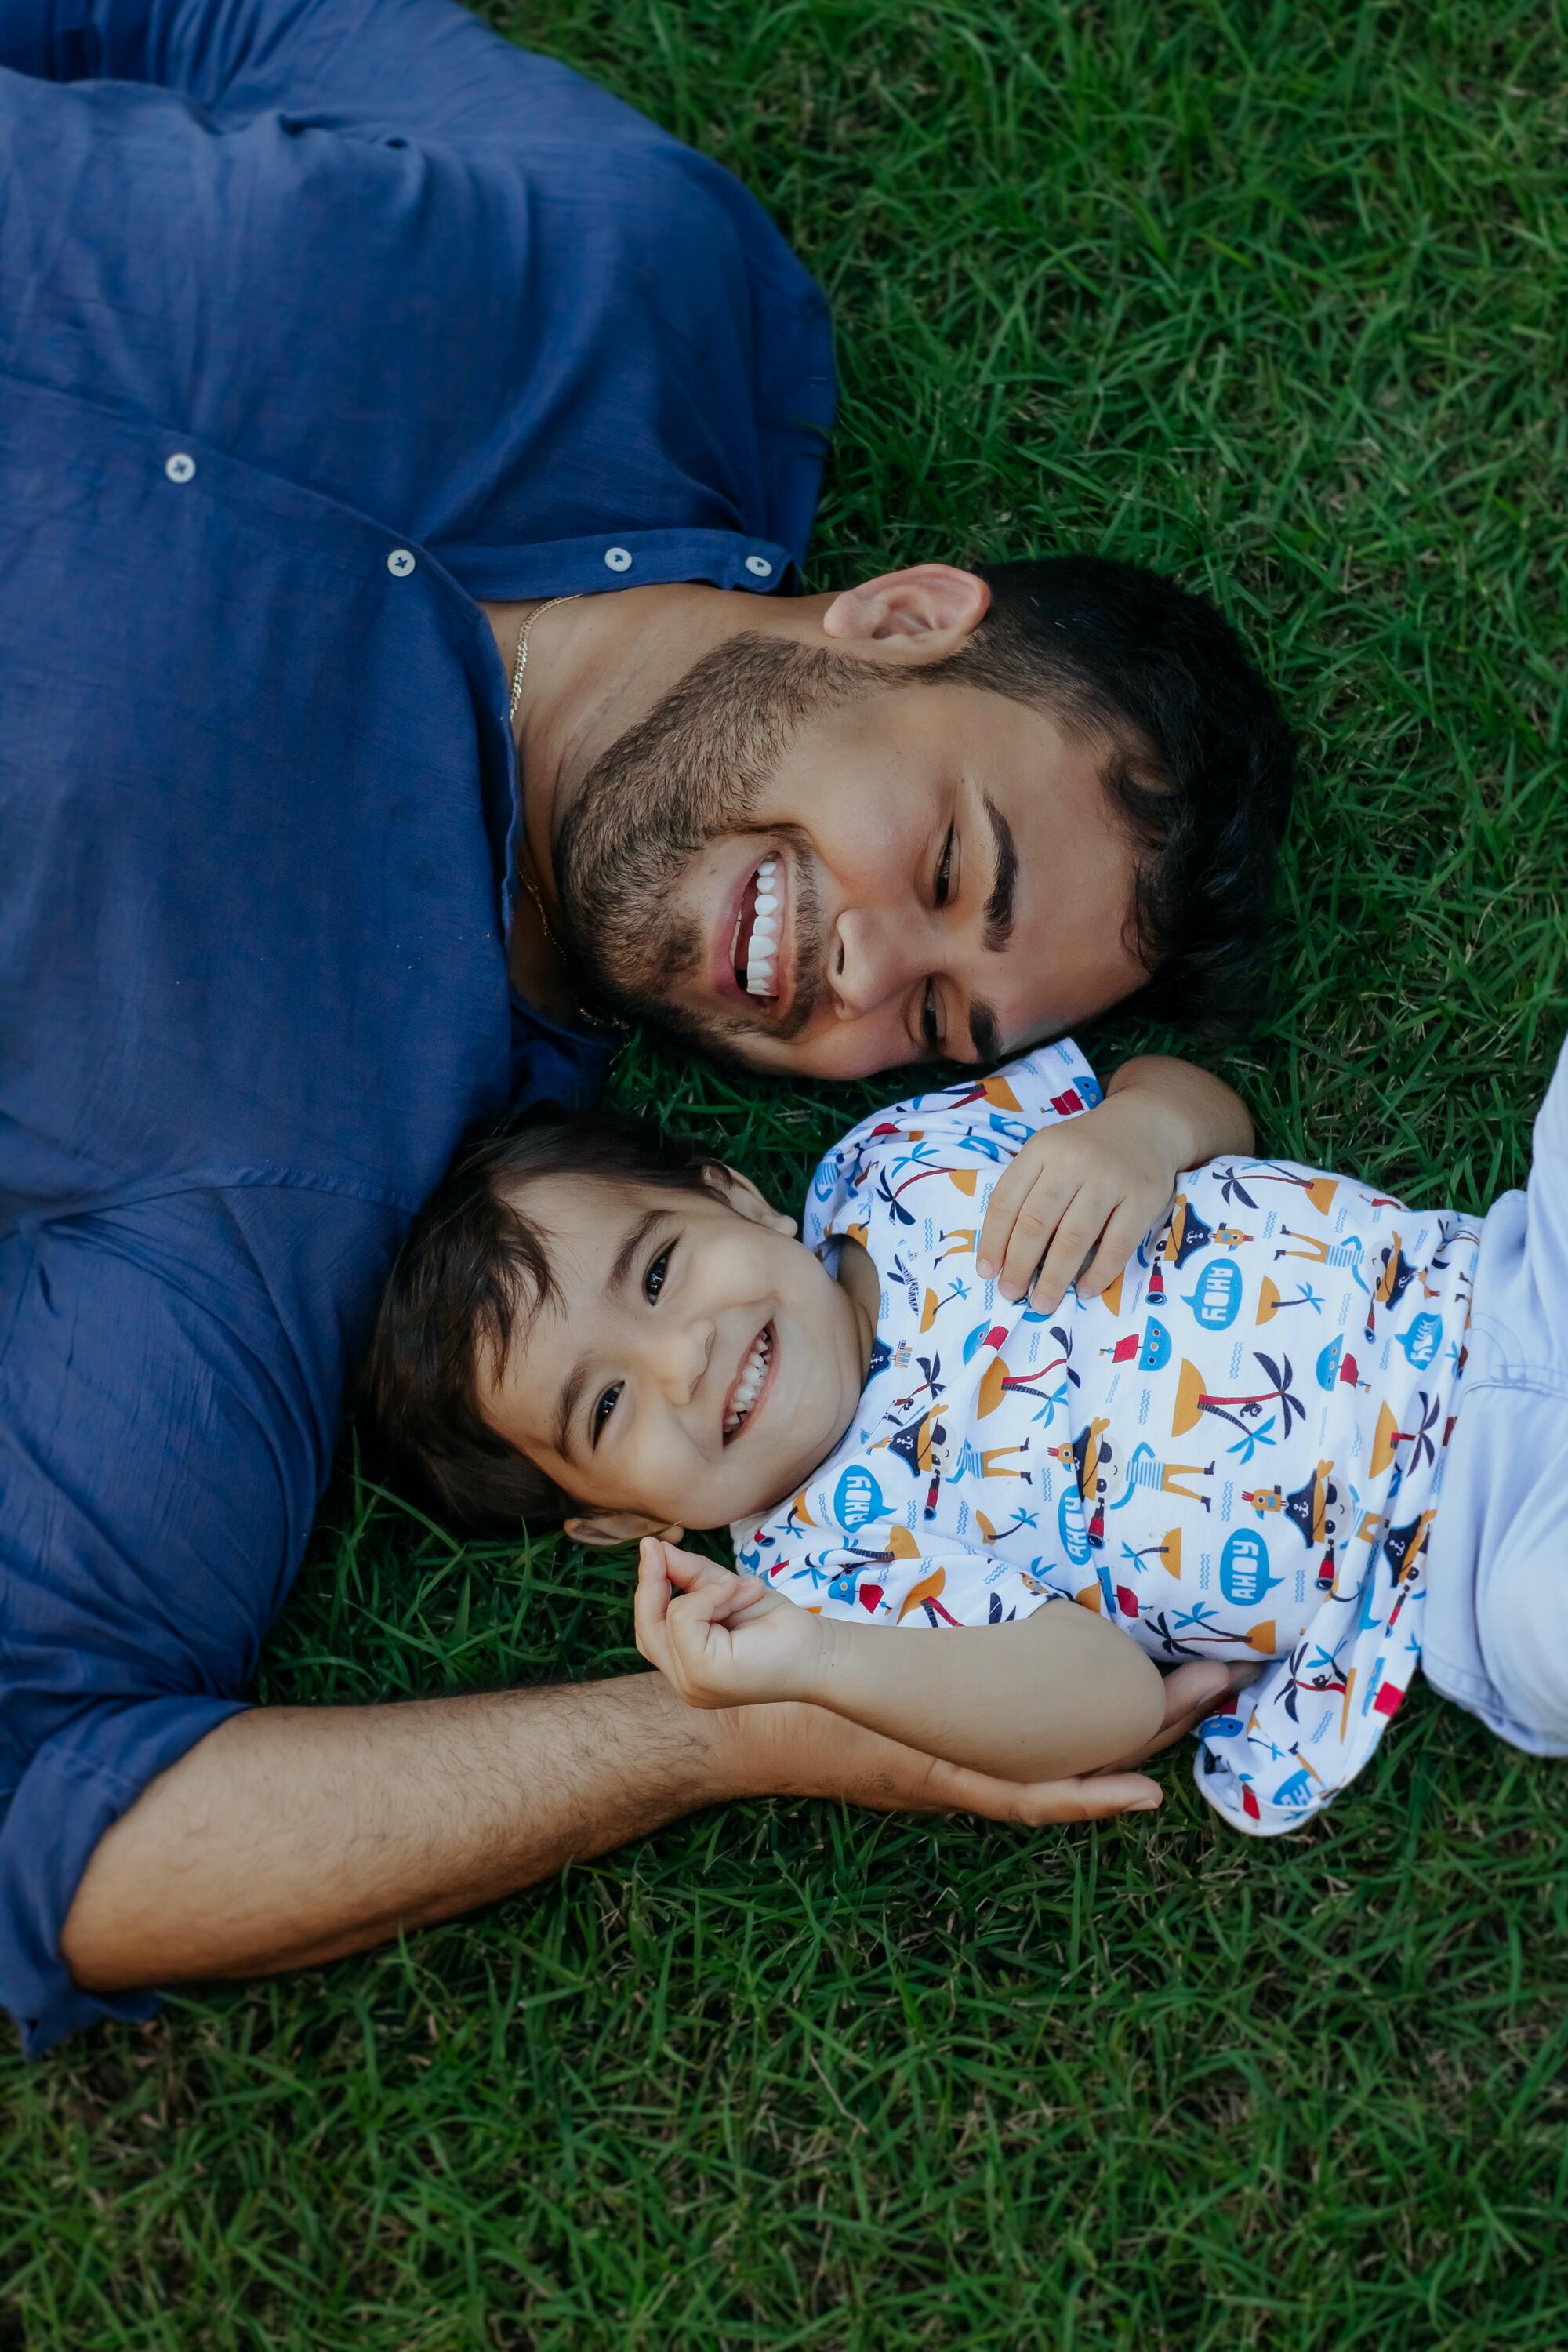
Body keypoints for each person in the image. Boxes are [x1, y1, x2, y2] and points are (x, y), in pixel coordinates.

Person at [0, 0, 1293, 2052]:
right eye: (942, 864)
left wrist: (731, 1728)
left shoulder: (318, 1191)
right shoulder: (648, 280)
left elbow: (57, 1823)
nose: (853, 974)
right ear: (901, 619)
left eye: (936, 1023)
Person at [373, 1032, 1568, 1827]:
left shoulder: (900, 1164)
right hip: (1457, 1554)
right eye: (608, 1405)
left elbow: (1194, 1099)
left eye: (657, 1273)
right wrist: (820, 1666)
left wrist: (1142, 1130)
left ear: (733, 1193)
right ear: (618, 1521)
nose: (682, 1358)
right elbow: (1109, 1706)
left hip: (1507, 1276)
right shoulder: (832, 1581)